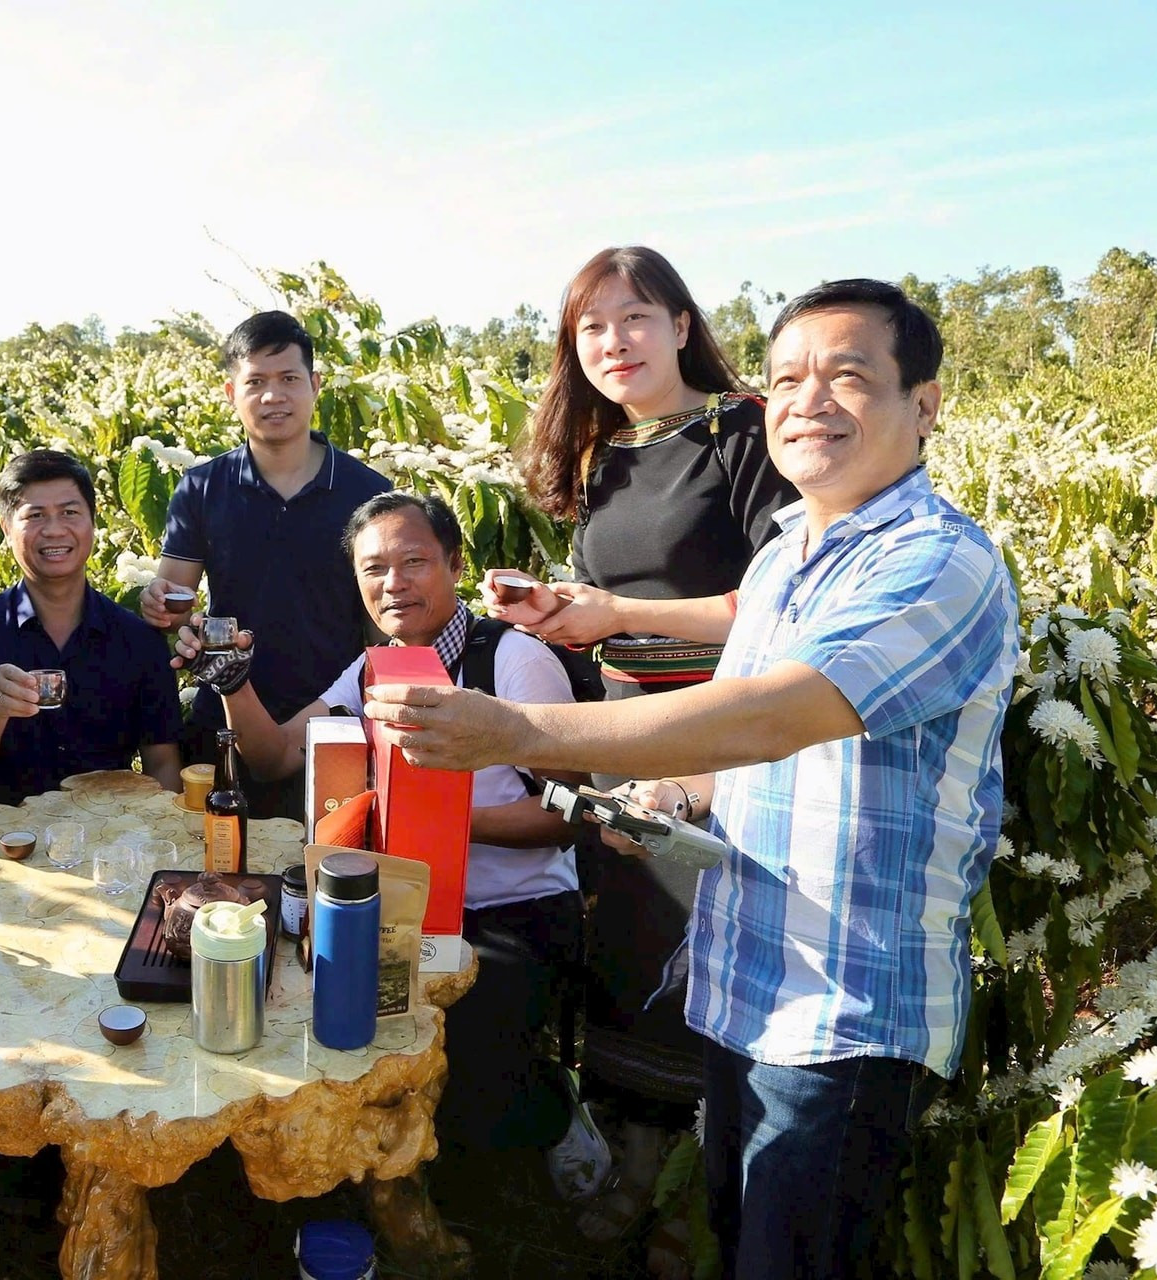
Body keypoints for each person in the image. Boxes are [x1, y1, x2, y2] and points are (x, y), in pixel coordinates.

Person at [364, 281, 1018, 1278]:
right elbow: (746, 740)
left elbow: (774, 713)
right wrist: (674, 795)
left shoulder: (938, 562)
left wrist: (512, 728)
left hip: (844, 1000)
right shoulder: (786, 557)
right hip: (746, 979)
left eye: (847, 376)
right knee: (745, 1232)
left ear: (922, 405)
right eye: (787, 379)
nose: (807, 401)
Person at [175, 492, 608, 1197]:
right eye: (373, 568)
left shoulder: (511, 660)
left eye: (414, 562)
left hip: (509, 910)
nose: (393, 583)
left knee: (474, 1094)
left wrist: (433, 818)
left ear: (455, 565)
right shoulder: (374, 669)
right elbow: (278, 755)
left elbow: (568, 815)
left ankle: (553, 1107)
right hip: (402, 903)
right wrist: (234, 686)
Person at [494, 247, 800, 1127]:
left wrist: (620, 611)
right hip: (625, 727)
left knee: (711, 941)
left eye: (635, 318)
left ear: (681, 326)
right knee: (630, 943)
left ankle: (721, 1150)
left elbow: (782, 604)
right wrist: (554, 609)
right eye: (592, 327)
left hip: (721, 729)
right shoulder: (603, 455)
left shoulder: (743, 431)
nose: (614, 341)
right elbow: (604, 604)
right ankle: (631, 1150)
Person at [139, 310, 391, 824]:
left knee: (325, 862)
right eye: (256, 382)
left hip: (332, 724)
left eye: (289, 379)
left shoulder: (366, 492)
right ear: (231, 393)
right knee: (218, 861)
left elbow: (380, 630)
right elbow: (175, 602)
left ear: (315, 386)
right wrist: (160, 605)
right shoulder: (202, 488)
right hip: (224, 720)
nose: (273, 396)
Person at [0, 449, 182, 806]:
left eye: (69, 512)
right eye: (35, 515)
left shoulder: (139, 640)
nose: (54, 530)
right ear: (7, 528)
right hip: (6, 831)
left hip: (108, 827)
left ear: (92, 522)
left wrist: (159, 825)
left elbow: (162, 762)